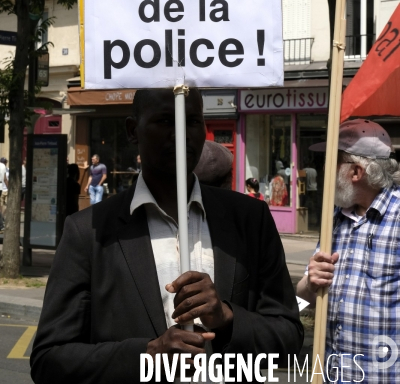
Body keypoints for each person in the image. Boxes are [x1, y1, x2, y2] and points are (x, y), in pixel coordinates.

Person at [31, 88, 303, 384]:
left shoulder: (250, 219)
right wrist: (148, 356)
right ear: (133, 130)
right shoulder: (89, 231)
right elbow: (49, 360)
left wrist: (226, 318)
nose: (182, 134)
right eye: (165, 121)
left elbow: (288, 338)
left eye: (193, 121)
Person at [296, 119, 400, 383]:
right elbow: (303, 293)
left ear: (356, 171)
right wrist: (310, 282)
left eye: (332, 161)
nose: (322, 170)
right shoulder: (335, 218)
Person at [0, 157, 8, 231]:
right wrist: (9, 187)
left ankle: (1, 223)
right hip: (1, 187)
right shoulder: (3, 167)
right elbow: (5, 179)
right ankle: (1, 224)